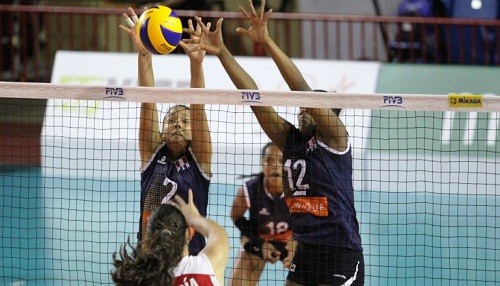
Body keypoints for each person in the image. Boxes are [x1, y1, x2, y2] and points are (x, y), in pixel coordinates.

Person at [182, 0, 364, 284]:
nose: (302, 110)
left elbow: (302, 90)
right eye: (301, 108)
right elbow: (255, 99)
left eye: (309, 108)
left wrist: (266, 41)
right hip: (306, 250)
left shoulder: (336, 139)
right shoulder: (290, 140)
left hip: (339, 251)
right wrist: (221, 52)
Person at [119, 7, 212, 256]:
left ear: (194, 132)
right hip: (149, 257)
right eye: (171, 120)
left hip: (188, 259)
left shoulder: (200, 159)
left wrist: (196, 64)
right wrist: (144, 54)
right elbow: (147, 100)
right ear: (161, 131)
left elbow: (198, 105)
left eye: (184, 121)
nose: (178, 124)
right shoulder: (152, 153)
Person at [111, 190, 229, 286]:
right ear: (189, 233)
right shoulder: (206, 268)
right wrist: (194, 218)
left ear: (149, 235)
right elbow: (219, 233)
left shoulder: (136, 279)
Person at [229, 142, 295, 286]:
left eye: (281, 160)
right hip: (258, 238)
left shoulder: (298, 189)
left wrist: (296, 241)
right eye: (269, 160)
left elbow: (310, 221)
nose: (275, 165)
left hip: (291, 240)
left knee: (311, 265)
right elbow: (236, 216)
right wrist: (261, 243)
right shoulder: (249, 190)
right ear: (262, 163)